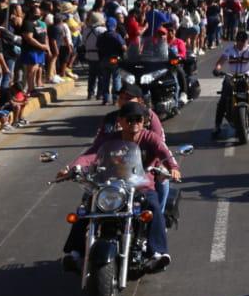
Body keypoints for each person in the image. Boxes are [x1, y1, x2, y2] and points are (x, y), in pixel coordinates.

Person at [59, 102, 180, 270]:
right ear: (120, 121)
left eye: (138, 119)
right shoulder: (110, 139)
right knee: (86, 207)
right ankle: (75, 252)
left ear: (144, 121)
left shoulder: (150, 138)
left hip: (141, 186)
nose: (134, 123)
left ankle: (157, 253)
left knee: (154, 206)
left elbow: (166, 153)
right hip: (111, 185)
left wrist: (173, 168)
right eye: (129, 119)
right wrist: (72, 168)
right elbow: (90, 155)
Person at [211, 29, 249, 138]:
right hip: (232, 78)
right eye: (239, 40)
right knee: (223, 99)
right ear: (236, 41)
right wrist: (217, 69)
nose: (242, 43)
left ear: (247, 40)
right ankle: (217, 126)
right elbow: (221, 61)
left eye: (244, 40)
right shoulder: (229, 50)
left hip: (248, 78)